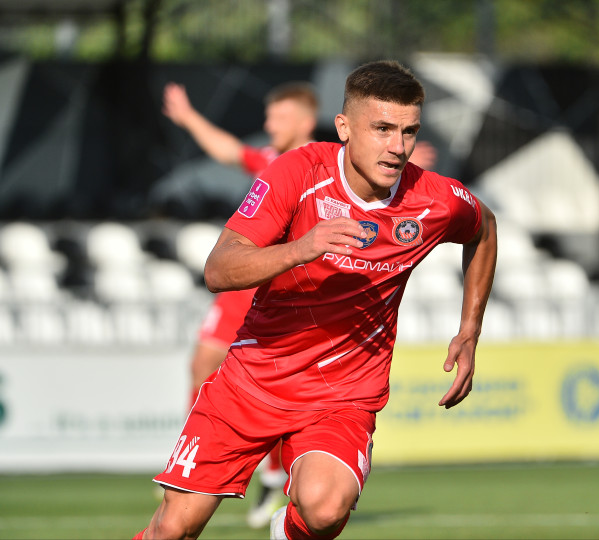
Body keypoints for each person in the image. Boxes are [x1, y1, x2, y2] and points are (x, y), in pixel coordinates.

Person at [135, 59, 496, 540]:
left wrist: (469, 331)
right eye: (382, 129)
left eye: (408, 131)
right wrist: (302, 248)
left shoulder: (435, 199)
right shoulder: (297, 172)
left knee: (325, 509)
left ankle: (285, 529)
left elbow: (484, 228)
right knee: (173, 529)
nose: (397, 146)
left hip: (343, 395)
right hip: (254, 380)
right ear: (343, 127)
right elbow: (218, 270)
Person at [162, 80, 320, 527]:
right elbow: (229, 149)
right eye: (269, 116)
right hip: (244, 283)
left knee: (275, 389)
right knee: (201, 365)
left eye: (280, 117)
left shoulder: (325, 163)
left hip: (284, 292)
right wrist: (189, 117)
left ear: (305, 121)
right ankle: (191, 461)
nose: (270, 124)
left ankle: (273, 475)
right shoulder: (270, 159)